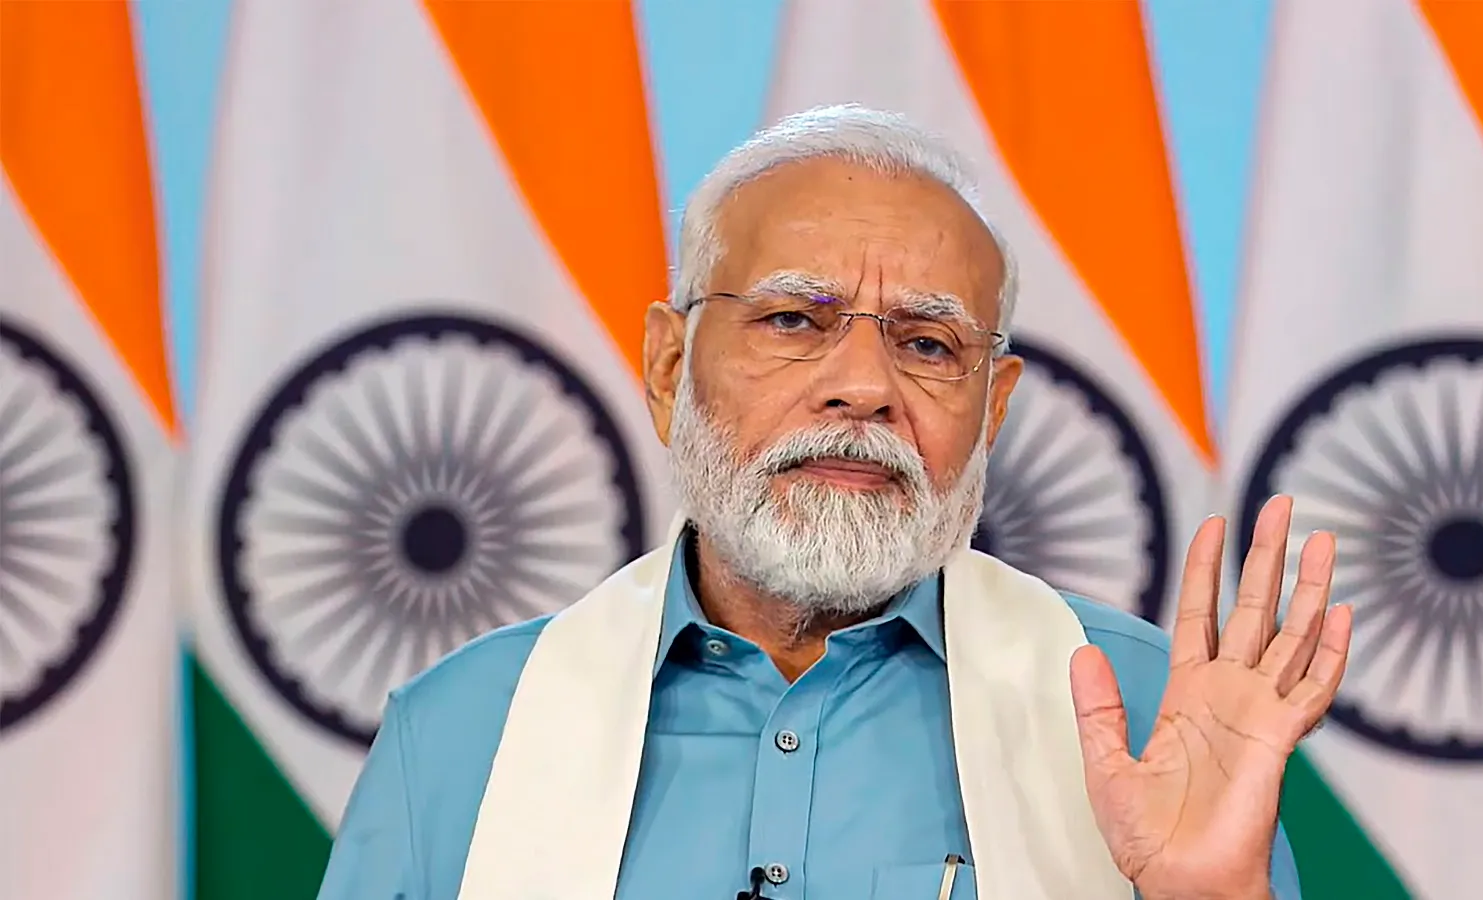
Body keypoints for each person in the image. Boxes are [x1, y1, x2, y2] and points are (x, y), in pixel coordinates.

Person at [317, 105, 1348, 900]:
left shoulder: (1137, 709)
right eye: (792, 322)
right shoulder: (463, 731)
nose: (861, 386)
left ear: (991, 407)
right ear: (669, 367)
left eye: (928, 343)